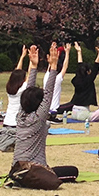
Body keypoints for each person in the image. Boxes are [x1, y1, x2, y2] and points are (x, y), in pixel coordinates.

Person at [12, 44, 78, 182]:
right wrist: (53, 67)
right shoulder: (38, 118)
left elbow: (28, 91)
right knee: (73, 171)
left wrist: (34, 66)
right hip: (33, 171)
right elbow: (48, 93)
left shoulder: (20, 116)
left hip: (15, 169)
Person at [60, 42, 99, 112]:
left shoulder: (77, 79)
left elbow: (80, 66)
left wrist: (79, 51)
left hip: (74, 107)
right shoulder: (89, 80)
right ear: (88, 71)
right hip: (84, 109)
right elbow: (96, 66)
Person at [3, 45, 32, 127]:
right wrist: (32, 60)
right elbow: (30, 74)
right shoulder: (22, 89)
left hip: (6, 122)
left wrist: (22, 56)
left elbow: (16, 72)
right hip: (16, 124)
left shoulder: (9, 87)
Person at [47, 43, 70, 121]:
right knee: (72, 105)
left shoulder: (46, 76)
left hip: (44, 109)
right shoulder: (57, 79)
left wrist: (52, 51)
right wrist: (67, 52)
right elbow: (65, 66)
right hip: (53, 111)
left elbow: (50, 64)